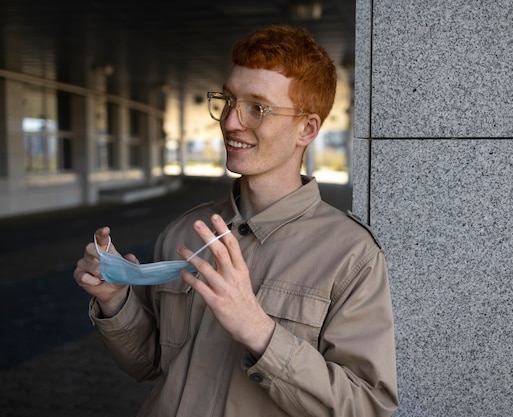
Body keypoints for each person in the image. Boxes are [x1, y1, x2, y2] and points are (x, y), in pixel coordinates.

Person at [74, 24, 398, 417]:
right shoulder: (184, 232)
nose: (230, 122)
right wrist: (116, 301)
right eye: (229, 101)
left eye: (257, 108)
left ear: (307, 128)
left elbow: (367, 405)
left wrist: (259, 331)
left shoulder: (351, 256)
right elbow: (150, 364)